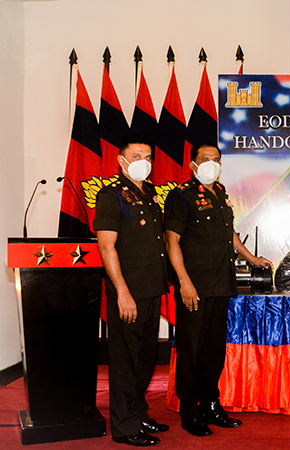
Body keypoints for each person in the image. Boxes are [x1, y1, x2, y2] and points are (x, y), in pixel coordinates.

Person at [164, 143, 272, 437]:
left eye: (216, 160)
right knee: (191, 349)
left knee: (213, 349)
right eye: (205, 159)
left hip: (221, 282)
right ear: (193, 164)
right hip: (194, 286)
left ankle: (211, 403)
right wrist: (184, 281)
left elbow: (230, 234)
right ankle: (189, 410)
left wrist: (251, 258)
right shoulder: (181, 196)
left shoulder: (220, 192)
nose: (211, 164)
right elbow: (172, 241)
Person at [94, 134, 170, 446]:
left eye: (148, 156)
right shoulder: (111, 195)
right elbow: (106, 246)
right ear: (121, 160)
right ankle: (125, 427)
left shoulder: (150, 192)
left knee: (145, 357)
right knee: (126, 359)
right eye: (136, 155)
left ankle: (138, 413)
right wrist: (122, 292)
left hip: (152, 288)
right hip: (129, 290)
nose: (144, 162)